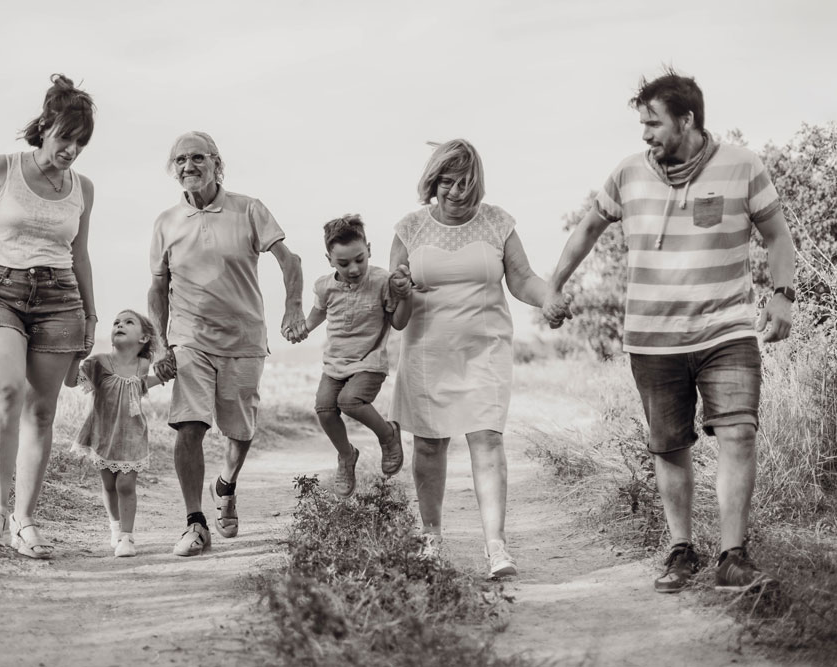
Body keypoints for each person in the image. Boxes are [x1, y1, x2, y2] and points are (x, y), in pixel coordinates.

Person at [543, 70, 795, 594]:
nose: (645, 135)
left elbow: (777, 235)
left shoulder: (742, 165)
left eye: (653, 123)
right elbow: (589, 227)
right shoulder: (628, 174)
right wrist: (555, 285)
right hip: (653, 337)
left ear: (687, 120)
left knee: (738, 433)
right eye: (641, 123)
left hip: (726, 329)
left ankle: (733, 556)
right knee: (670, 447)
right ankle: (681, 551)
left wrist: (781, 293)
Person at [390, 138, 553, 578]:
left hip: (485, 349)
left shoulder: (498, 222)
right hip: (427, 353)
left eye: (465, 182)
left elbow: (522, 280)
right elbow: (397, 315)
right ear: (433, 182)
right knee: (428, 445)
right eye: (447, 182)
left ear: (477, 182)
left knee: (487, 440)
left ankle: (496, 546)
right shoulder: (409, 228)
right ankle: (431, 540)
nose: (457, 191)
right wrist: (397, 291)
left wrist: (549, 298)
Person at [0, 74, 97, 560]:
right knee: (7, 387)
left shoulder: (84, 188)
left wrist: (91, 316)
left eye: (80, 142)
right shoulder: (3, 168)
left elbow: (80, 254)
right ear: (45, 127)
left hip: (61, 299)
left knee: (42, 411)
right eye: (64, 138)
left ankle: (25, 521)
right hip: (0, 292)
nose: (71, 150)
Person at [148, 131, 308, 557]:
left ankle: (227, 483)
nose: (188, 167)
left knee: (239, 432)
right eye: (179, 160)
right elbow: (157, 287)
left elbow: (290, 261)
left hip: (243, 339)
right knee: (189, 425)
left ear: (217, 163)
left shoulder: (248, 209)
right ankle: (195, 523)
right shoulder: (166, 222)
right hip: (190, 339)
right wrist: (161, 344)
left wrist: (293, 309)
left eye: (197, 158)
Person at [303, 214, 411, 497]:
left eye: (359, 259)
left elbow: (398, 323)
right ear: (329, 259)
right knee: (325, 409)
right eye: (343, 263)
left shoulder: (382, 281)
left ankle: (388, 435)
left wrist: (406, 296)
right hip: (335, 363)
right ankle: (346, 455)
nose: (353, 268)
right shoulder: (324, 286)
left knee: (350, 401)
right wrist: (302, 328)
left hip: (370, 361)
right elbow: (317, 314)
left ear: (369, 250)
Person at [65, 310, 164, 557]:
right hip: (104, 432)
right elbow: (70, 382)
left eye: (128, 322)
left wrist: (161, 377)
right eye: (116, 322)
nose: (119, 324)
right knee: (109, 485)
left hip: (132, 433)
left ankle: (128, 537)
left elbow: (138, 386)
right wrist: (75, 357)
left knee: (125, 484)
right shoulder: (98, 362)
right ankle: (115, 528)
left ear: (143, 338)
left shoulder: (143, 364)